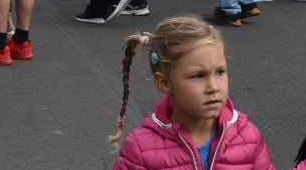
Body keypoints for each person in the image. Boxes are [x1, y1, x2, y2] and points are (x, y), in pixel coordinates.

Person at [109, 15, 274, 170]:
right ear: (164, 82)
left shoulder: (249, 137)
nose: (214, 87)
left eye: (220, 72)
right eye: (198, 76)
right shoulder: (141, 149)